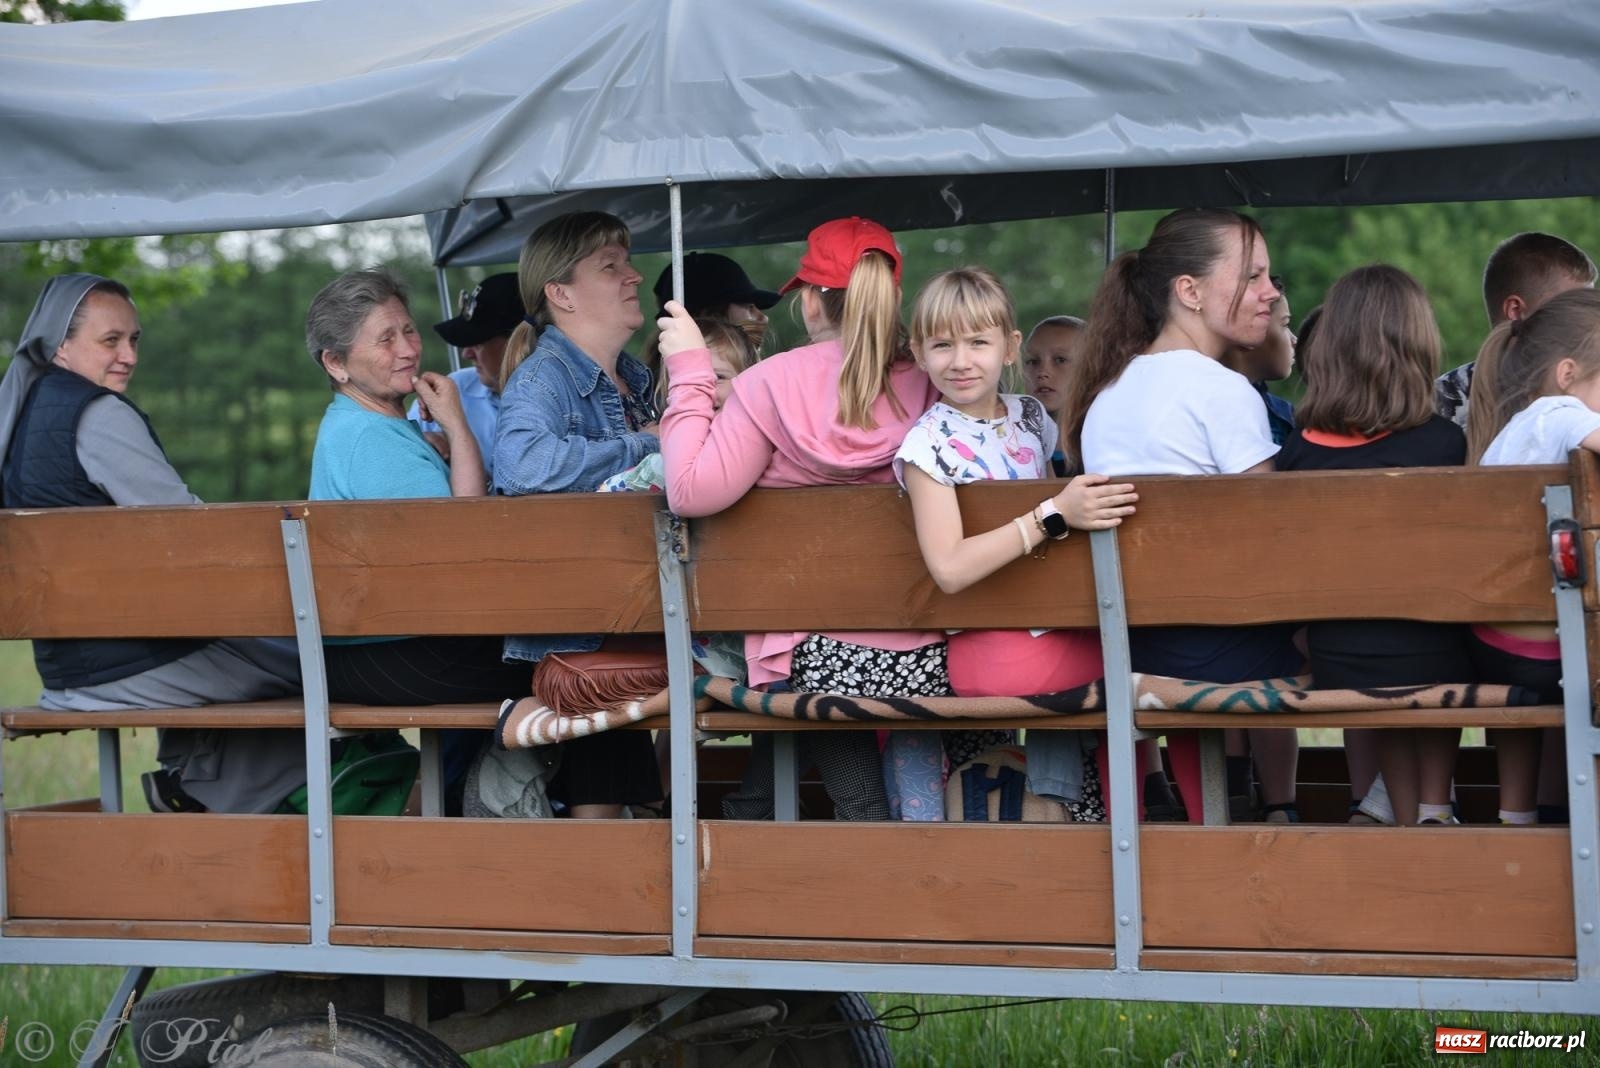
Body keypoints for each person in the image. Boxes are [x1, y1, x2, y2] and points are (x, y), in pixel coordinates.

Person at [656, 216, 943, 821]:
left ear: (811, 301)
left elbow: (686, 490)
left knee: (840, 783)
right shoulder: (935, 385)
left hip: (808, 650)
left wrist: (688, 372)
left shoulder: (768, 384)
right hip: (929, 644)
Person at [0, 274, 303, 814]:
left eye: (134, 340)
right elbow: (193, 537)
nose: (128, 356)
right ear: (60, 344)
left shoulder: (20, 416)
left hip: (65, 670)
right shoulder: (95, 414)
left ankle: (195, 786)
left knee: (268, 658)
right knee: (321, 665)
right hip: (125, 668)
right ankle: (207, 791)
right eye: (110, 340)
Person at [1062, 207, 1302, 822]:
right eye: (1251, 277)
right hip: (1219, 652)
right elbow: (1271, 543)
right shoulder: (1224, 392)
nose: (1271, 293)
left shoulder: (1105, 395)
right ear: (1189, 292)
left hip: (1133, 645)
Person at [894, 267, 1136, 820]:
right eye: (942, 344)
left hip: (1046, 625)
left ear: (1009, 347)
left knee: (1138, 646)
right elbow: (950, 569)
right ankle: (1093, 818)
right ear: (919, 350)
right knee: (1145, 661)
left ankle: (1096, 814)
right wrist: (1053, 516)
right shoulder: (927, 447)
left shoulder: (1029, 417)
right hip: (997, 646)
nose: (961, 360)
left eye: (978, 342)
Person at [306, 268, 522, 813]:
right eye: (385, 338)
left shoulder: (366, 426)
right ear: (336, 362)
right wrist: (455, 424)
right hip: (392, 653)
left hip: (374, 648)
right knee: (577, 670)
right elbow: (464, 541)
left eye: (408, 331)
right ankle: (512, 810)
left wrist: (444, 435)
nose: (406, 349)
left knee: (567, 663)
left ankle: (482, 804)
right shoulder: (372, 439)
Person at [1276, 265, 1472, 826]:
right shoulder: (1443, 443)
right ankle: (1436, 809)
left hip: (1342, 656)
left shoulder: (1298, 452)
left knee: (1385, 653)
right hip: (1436, 652)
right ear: (1417, 346)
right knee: (1430, 640)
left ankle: (1406, 816)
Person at [491, 211, 664, 818]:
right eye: (610, 266)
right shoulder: (544, 378)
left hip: (628, 617)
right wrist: (650, 442)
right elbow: (522, 469)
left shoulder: (636, 379)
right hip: (575, 635)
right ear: (560, 293)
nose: (635, 276)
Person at [1466, 287, 1600, 824]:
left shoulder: (1508, 434)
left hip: (1491, 641)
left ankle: (1520, 815)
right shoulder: (1558, 413)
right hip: (1549, 648)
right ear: (1567, 373)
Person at [1217, 279, 1299, 819]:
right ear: (1249, 337)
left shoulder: (1282, 411)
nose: (1291, 338)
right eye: (1285, 324)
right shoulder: (1270, 418)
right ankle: (1281, 802)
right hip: (1257, 590)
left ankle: (1235, 787)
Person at [1435, 232, 1597, 429]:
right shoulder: (1438, 406)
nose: (1586, 322)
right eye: (1569, 310)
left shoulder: (1589, 389)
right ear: (1515, 310)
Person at [601, 317, 758, 493]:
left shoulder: (757, 442)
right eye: (687, 381)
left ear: (748, 382)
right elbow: (611, 490)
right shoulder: (666, 457)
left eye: (719, 377)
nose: (702, 390)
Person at [409, 272, 522, 483]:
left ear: (517, 342)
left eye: (477, 342)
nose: (466, 353)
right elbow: (397, 449)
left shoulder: (568, 398)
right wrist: (421, 445)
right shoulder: (454, 388)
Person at [1022, 315, 1083, 476]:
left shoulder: (1106, 447)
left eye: (1060, 360)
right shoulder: (1013, 445)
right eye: (1033, 361)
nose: (1043, 372)